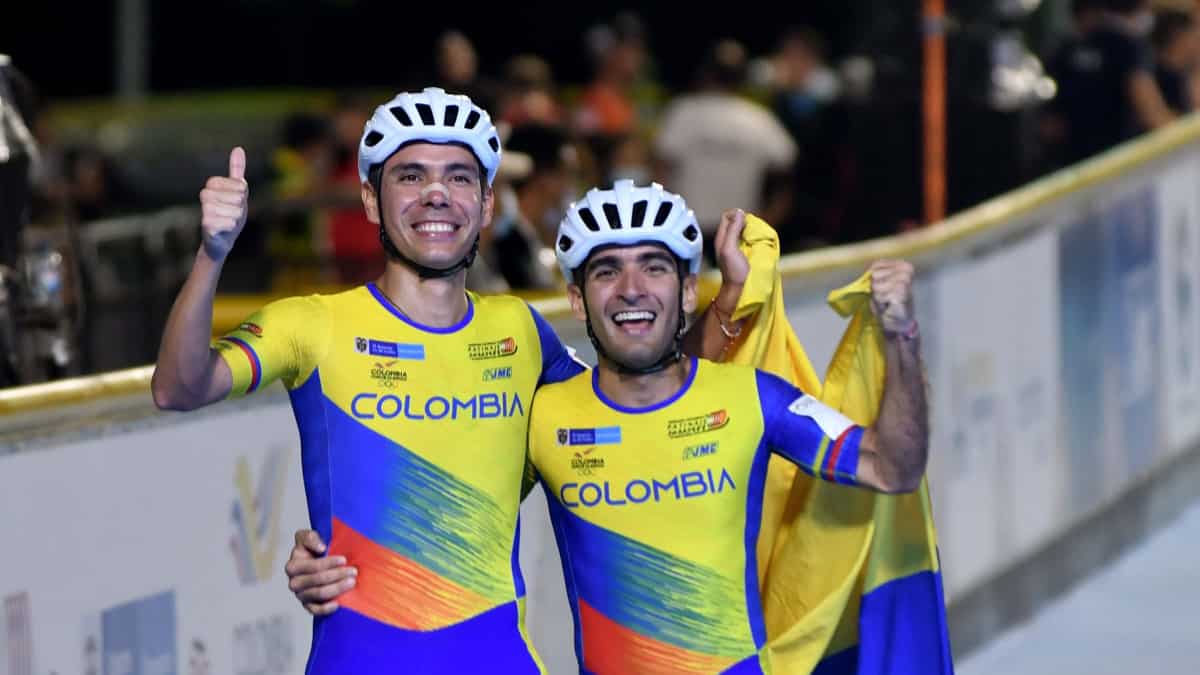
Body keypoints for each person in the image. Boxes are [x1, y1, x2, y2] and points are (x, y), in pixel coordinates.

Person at [151, 88, 741, 673]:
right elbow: (178, 388)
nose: (436, 194)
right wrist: (212, 254)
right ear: (371, 200)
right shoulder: (312, 324)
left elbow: (641, 402)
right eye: (410, 176)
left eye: (459, 177)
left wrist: (725, 307)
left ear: (486, 204)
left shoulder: (519, 331)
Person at [284, 181, 930, 674]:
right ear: (576, 298)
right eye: (605, 270)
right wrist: (329, 559)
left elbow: (892, 466)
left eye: (653, 267)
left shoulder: (755, 399)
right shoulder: (548, 415)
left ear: (685, 290)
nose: (629, 288)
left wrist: (901, 338)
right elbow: (437, 512)